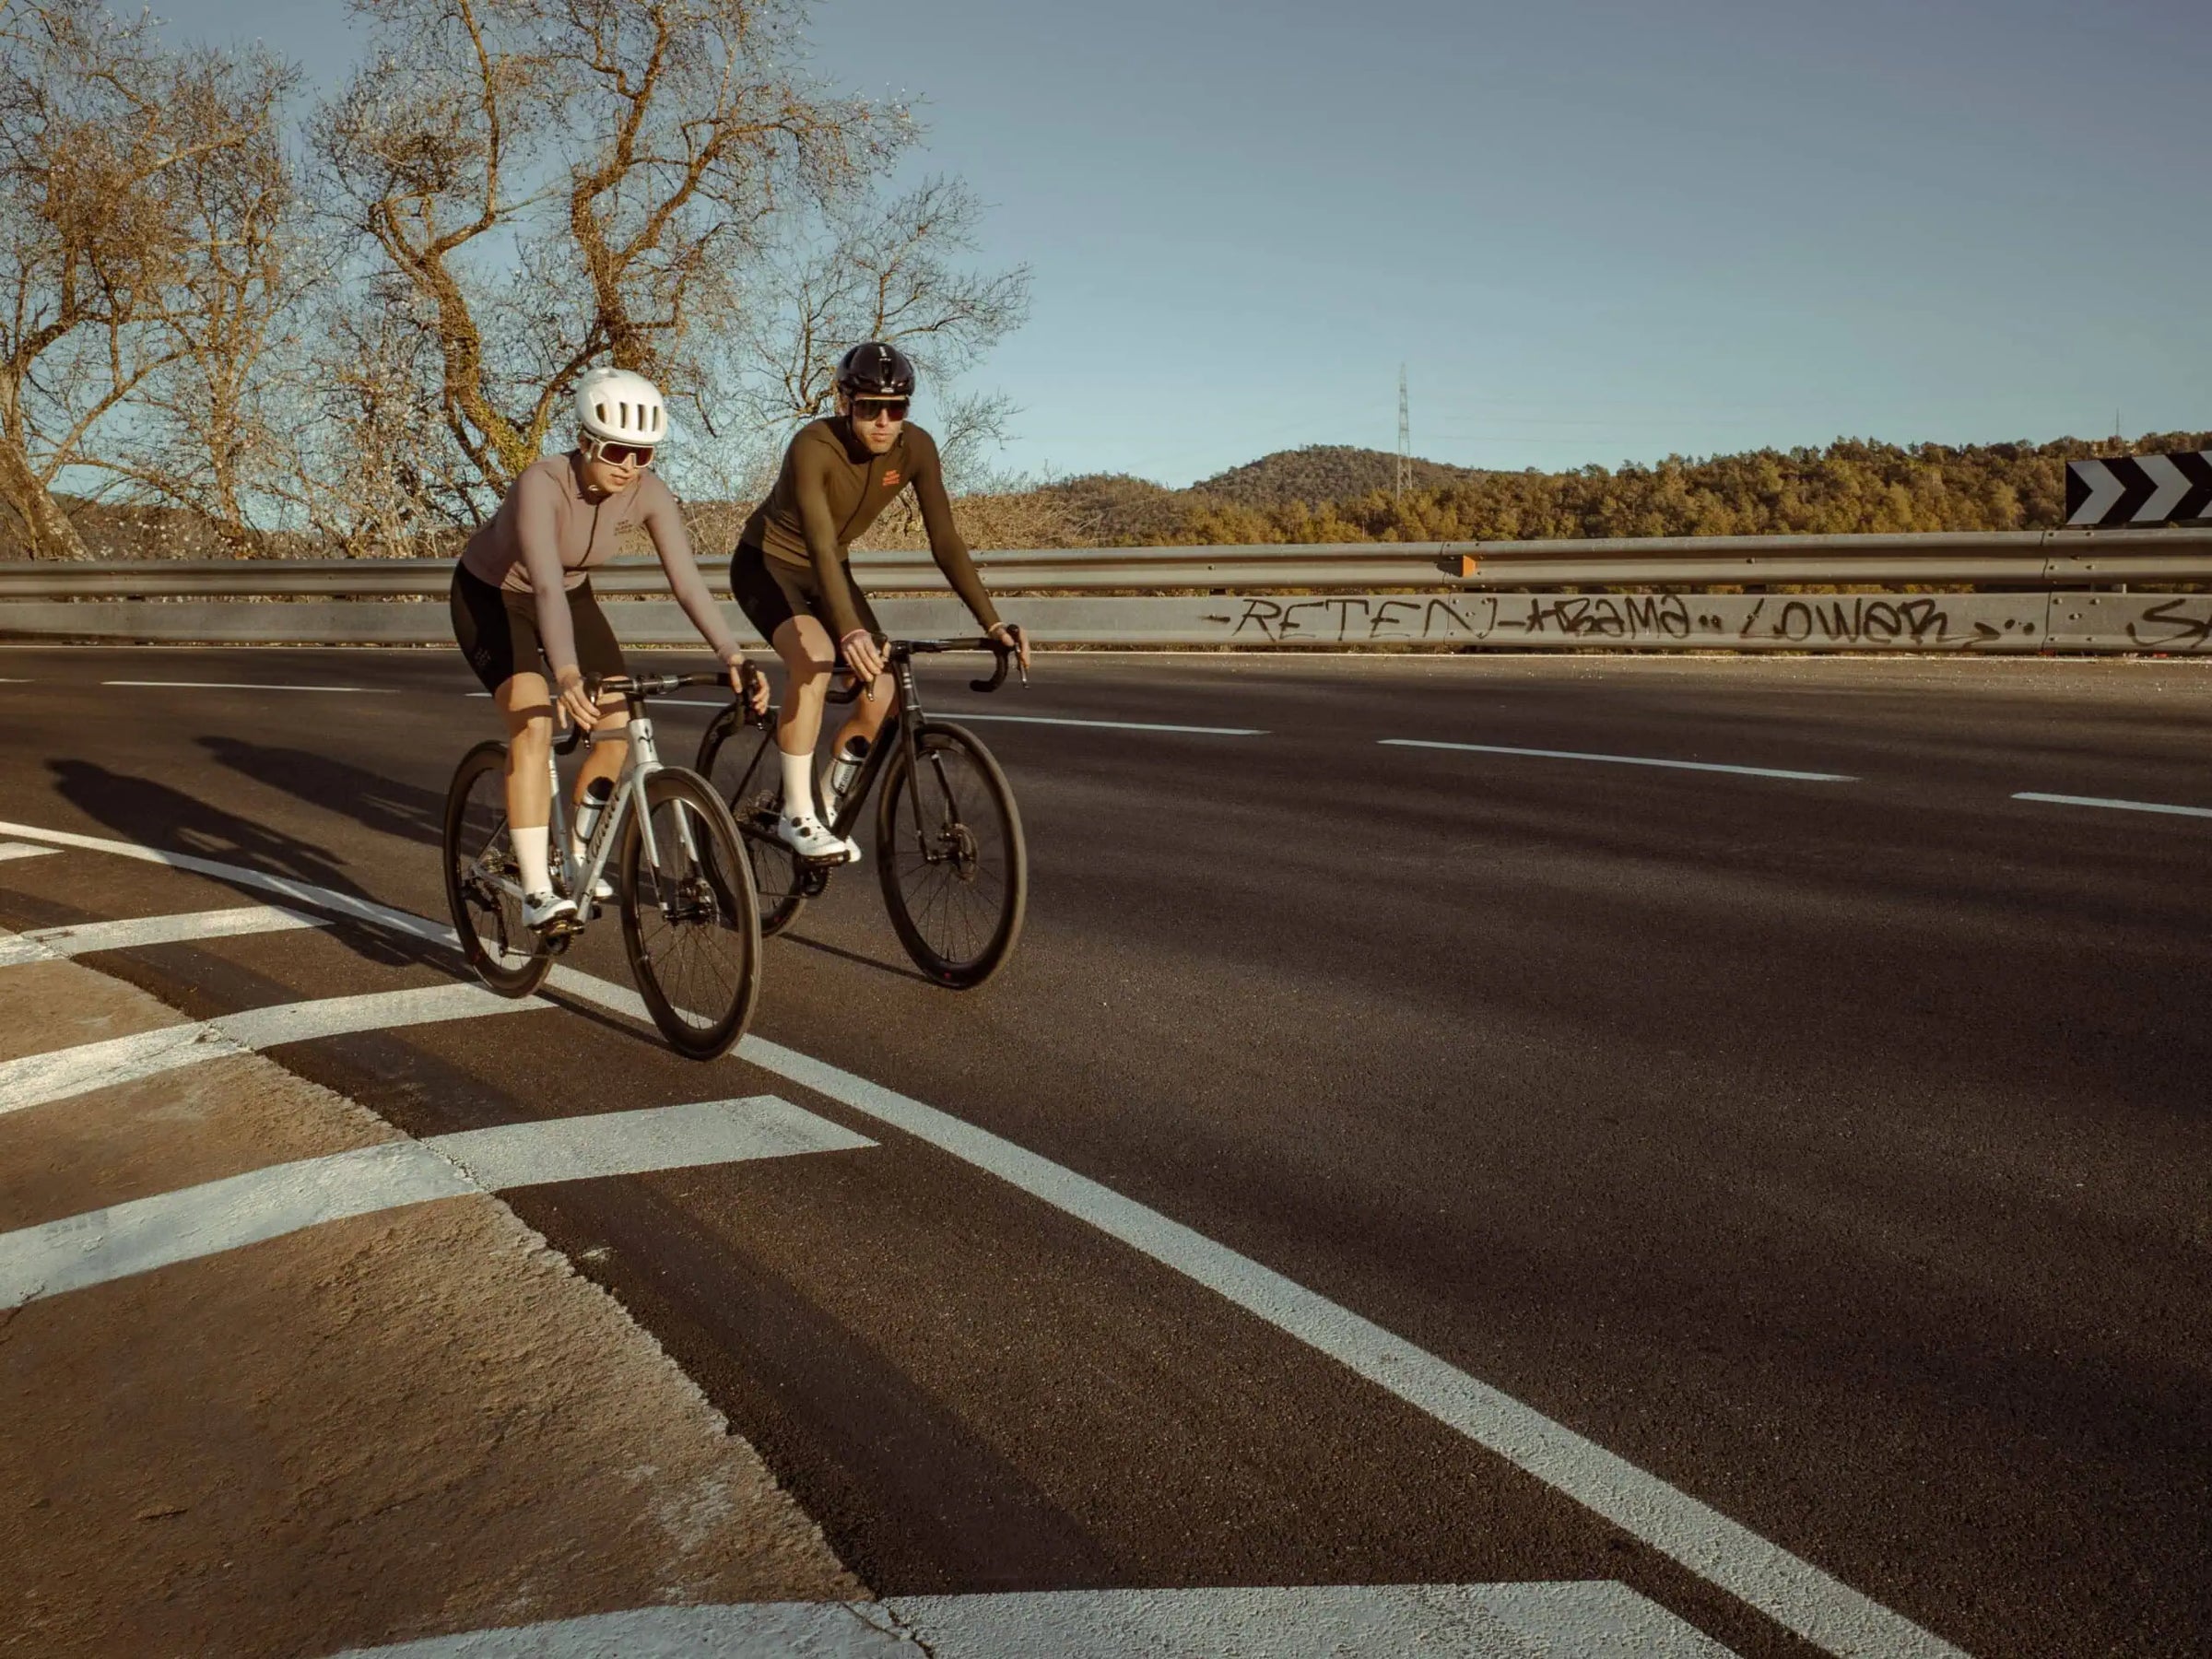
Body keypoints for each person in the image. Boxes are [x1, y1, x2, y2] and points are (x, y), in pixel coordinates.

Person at [451, 366, 767, 932]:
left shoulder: (649, 493)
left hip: (571, 595)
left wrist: (732, 654)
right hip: (494, 598)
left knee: (617, 729)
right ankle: (535, 889)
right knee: (534, 722)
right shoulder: (541, 484)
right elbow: (542, 583)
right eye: (618, 451)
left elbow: (687, 582)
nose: (629, 467)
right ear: (585, 442)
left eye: (643, 456)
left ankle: (573, 852)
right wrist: (566, 674)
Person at [729, 341, 1028, 862]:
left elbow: (946, 541)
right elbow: (820, 544)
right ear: (846, 402)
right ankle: (793, 814)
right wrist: (849, 631)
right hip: (768, 564)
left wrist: (994, 621)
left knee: (882, 690)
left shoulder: (916, 448)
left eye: (897, 409)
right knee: (817, 657)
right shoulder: (813, 446)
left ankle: (822, 804)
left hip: (830, 572)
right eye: (870, 407)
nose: (884, 421)